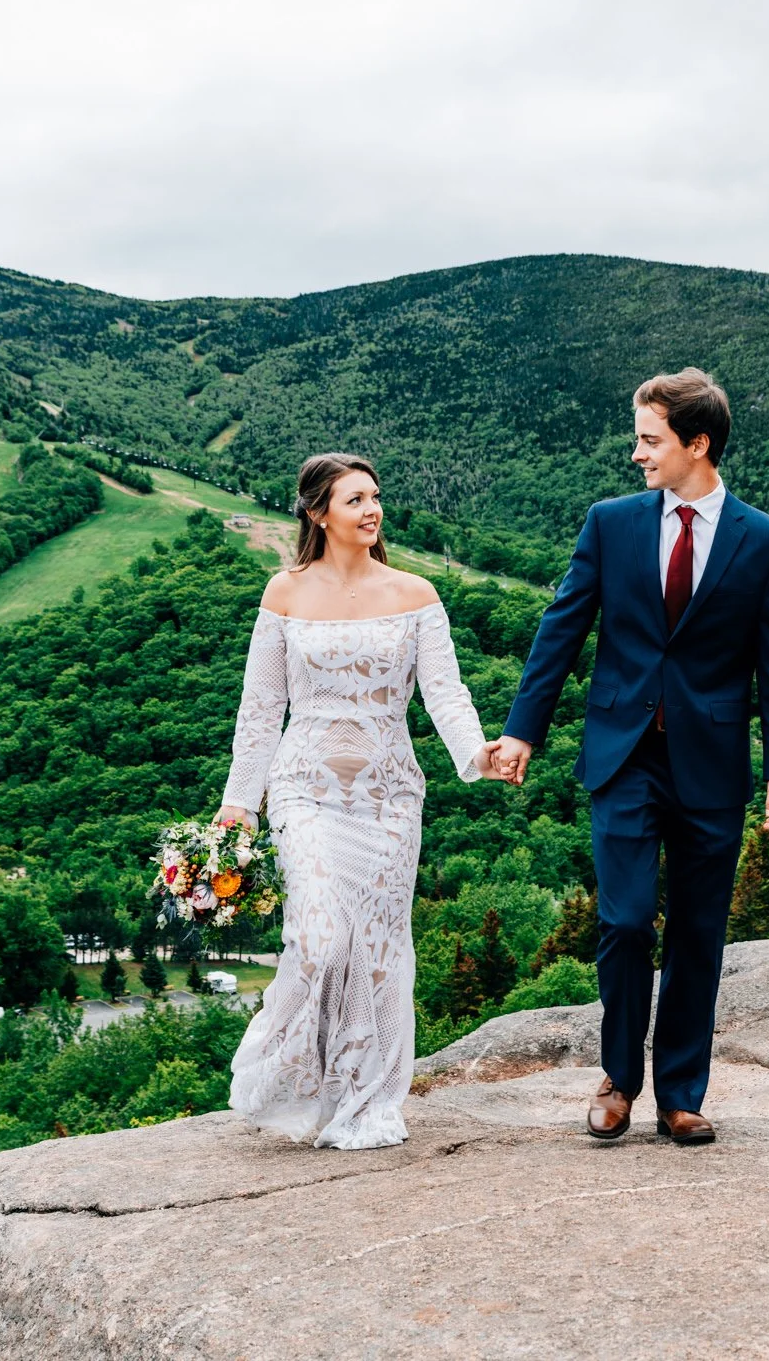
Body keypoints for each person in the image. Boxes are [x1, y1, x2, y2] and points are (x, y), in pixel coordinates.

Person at [490, 368, 769, 1145]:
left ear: (697, 444)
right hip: (622, 754)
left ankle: (681, 1093)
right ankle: (618, 1077)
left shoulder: (768, 543)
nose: (637, 453)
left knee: (699, 931)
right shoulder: (611, 523)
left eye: (649, 438)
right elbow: (561, 627)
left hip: (713, 760)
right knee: (627, 919)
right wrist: (524, 728)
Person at [217, 453, 505, 1150]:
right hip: (304, 787)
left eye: (375, 496)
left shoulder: (415, 593)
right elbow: (263, 708)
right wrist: (239, 803)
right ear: (319, 512)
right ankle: (293, 1076)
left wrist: (477, 753)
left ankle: (368, 1096)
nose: (372, 509)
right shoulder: (283, 592)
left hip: (388, 794)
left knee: (378, 948)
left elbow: (445, 692)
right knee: (319, 934)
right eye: (355, 499)